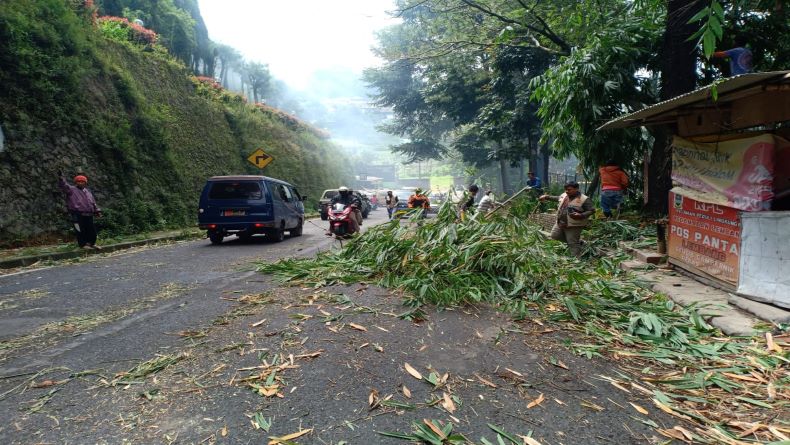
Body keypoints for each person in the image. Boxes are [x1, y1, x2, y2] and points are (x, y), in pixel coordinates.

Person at [539, 181, 594, 257]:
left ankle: (575, 260)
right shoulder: (564, 195)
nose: (567, 191)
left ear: (577, 189)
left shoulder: (584, 199)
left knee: (572, 243)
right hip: (561, 222)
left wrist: (581, 215)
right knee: (555, 235)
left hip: (574, 225)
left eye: (569, 189)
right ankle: (579, 243)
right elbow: (558, 198)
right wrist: (546, 197)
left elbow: (591, 210)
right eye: (566, 190)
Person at [58, 172, 102, 249]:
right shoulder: (71, 190)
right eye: (79, 181)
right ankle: (83, 245)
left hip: (89, 214)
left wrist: (97, 211)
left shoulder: (87, 192)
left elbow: (93, 202)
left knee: (92, 231)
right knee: (80, 230)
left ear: (85, 183)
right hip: (77, 214)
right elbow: (64, 186)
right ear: (76, 182)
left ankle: (91, 243)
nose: (81, 183)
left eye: (82, 181)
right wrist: (61, 178)